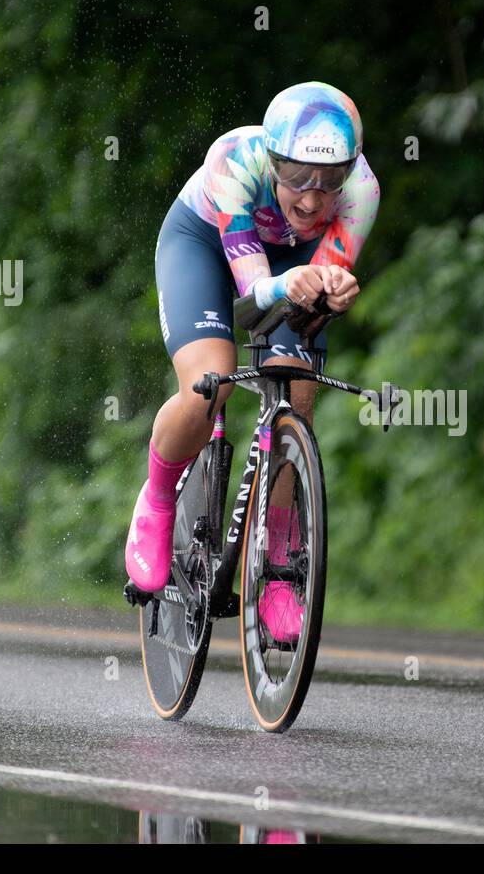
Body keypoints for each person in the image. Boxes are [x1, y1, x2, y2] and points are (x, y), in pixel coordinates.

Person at [125, 81, 380, 645]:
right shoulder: (234, 161)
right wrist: (292, 284)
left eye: (329, 180)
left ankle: (279, 559)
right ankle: (159, 496)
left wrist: (333, 286)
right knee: (206, 387)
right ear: (271, 159)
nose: (313, 199)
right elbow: (253, 296)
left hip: (290, 267)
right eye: (295, 178)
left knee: (297, 387)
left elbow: (318, 282)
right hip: (207, 248)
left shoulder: (363, 190)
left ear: (350, 171)